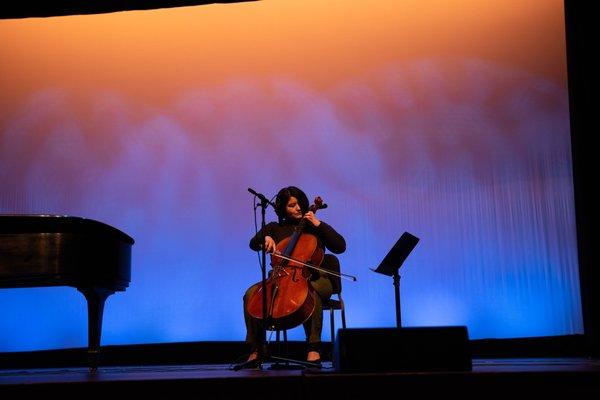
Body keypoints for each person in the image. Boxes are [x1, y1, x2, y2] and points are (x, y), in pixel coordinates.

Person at [243, 186, 346, 364]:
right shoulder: (275, 228)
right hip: (282, 278)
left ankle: (314, 349)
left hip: (318, 277)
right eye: (291, 205)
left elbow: (340, 246)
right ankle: (257, 348)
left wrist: (318, 223)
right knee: (251, 294)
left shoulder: (314, 227)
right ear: (282, 208)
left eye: (299, 203)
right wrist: (265, 238)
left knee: (310, 293)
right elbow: (253, 244)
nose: (298, 208)